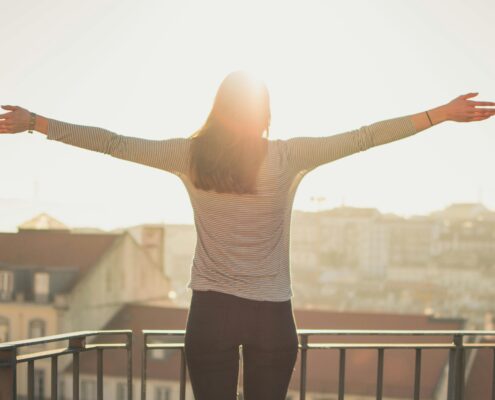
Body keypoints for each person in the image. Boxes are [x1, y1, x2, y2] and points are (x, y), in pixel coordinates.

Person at [1, 71, 494, 400]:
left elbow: (112, 144)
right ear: (263, 113)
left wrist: (35, 124)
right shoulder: (286, 156)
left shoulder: (188, 155)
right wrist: (440, 114)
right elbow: (365, 136)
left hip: (210, 315)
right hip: (270, 317)